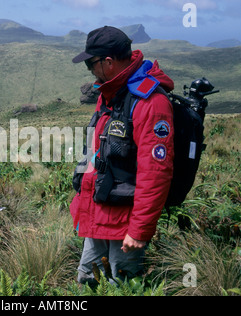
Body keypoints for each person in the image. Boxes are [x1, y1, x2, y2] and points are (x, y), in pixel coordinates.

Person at [70, 26, 175, 284]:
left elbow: (156, 174)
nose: (90, 71)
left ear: (108, 62)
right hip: (99, 213)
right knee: (88, 280)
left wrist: (139, 231)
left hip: (126, 223)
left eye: (90, 64)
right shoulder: (109, 94)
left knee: (122, 284)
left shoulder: (151, 103)